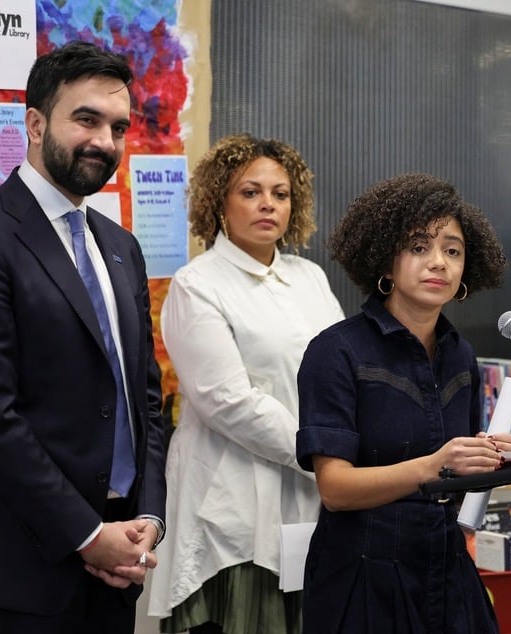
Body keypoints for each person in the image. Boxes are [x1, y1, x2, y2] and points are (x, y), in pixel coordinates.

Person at [0, 41, 166, 634]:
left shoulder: (121, 247)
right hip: (17, 570)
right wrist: (86, 535)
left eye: (118, 127)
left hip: (119, 557)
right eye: (86, 119)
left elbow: (145, 399)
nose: (105, 141)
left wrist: (150, 517)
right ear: (35, 125)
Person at [296, 173, 511, 633]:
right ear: (385, 260)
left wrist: (488, 460)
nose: (438, 263)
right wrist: (433, 466)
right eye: (419, 247)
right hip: (363, 578)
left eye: (452, 251)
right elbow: (334, 489)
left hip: (446, 569)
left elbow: (458, 485)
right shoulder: (336, 352)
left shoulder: (461, 356)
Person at [148, 134, 344, 634]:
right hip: (232, 507)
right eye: (250, 192)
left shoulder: (311, 278)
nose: (267, 204)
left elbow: (346, 376)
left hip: (316, 498)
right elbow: (228, 401)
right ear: (220, 201)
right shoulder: (197, 284)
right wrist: (324, 454)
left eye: (280, 194)